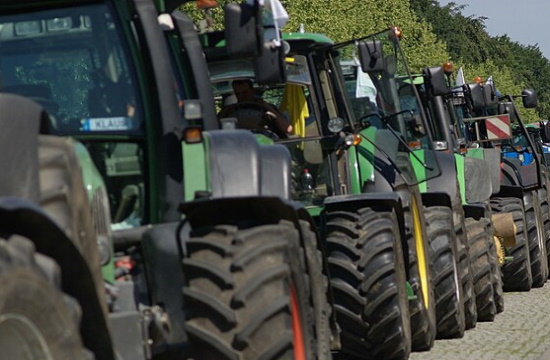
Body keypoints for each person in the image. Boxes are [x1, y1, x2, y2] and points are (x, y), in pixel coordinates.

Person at [218, 79, 292, 138]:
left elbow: (288, 129)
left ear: (252, 90)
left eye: (245, 92)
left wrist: (268, 109)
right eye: (238, 94)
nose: (241, 96)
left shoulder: (267, 108)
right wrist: (225, 111)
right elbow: (214, 130)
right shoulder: (230, 111)